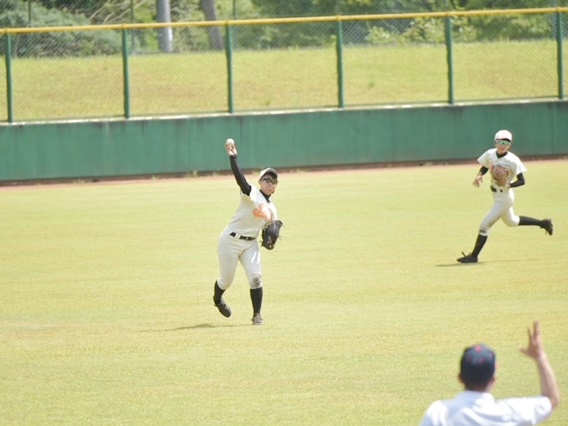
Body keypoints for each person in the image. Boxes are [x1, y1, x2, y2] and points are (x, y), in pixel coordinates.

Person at [420, 320, 560, 426]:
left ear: (460, 377)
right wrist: (540, 357)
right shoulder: (511, 413)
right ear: (493, 379)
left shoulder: (439, 413)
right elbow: (552, 399)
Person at [457, 129, 553, 263]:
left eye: (506, 143)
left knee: (484, 225)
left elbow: (522, 181)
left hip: (505, 198)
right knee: (511, 221)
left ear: (510, 145)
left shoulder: (513, 160)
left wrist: (510, 185)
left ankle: (473, 256)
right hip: (496, 195)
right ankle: (544, 223)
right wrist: (479, 176)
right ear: (495, 142)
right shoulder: (490, 154)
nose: (503, 145)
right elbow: (485, 166)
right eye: (501, 142)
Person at [212, 138, 280, 325]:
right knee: (226, 281)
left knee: (256, 278)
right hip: (230, 241)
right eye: (267, 180)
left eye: (273, 181)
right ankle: (217, 299)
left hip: (250, 243)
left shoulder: (272, 209)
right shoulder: (252, 193)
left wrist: (270, 239)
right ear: (260, 182)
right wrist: (233, 157)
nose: (270, 183)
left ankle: (257, 315)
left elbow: (271, 230)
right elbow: (240, 180)